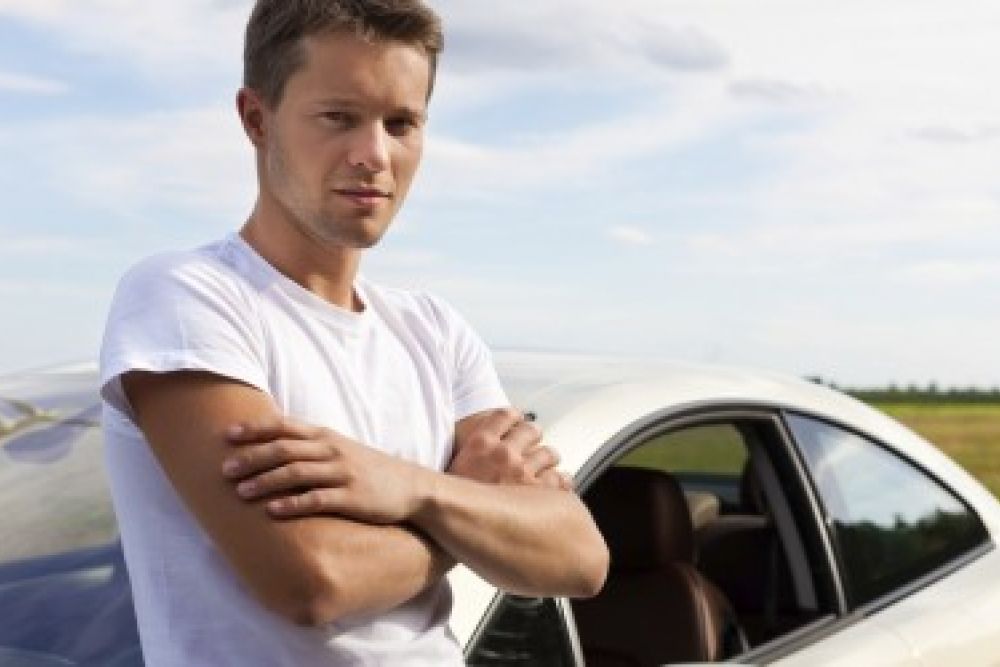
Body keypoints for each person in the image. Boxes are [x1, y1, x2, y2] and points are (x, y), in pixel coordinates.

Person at [98, 1, 609, 665]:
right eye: (339, 117)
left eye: (401, 123)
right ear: (257, 119)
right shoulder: (186, 297)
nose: (374, 155)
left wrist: (411, 486)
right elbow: (313, 579)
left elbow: (580, 554)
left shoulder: (434, 330)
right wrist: (476, 511)